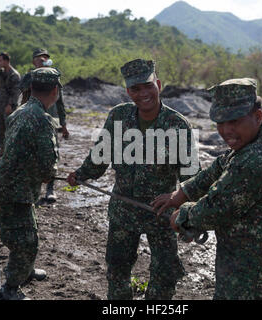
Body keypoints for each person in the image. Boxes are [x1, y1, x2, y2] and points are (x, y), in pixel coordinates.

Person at [152, 78, 262, 300]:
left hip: (258, 278)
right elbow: (220, 166)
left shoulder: (258, 158)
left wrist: (183, 216)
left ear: (258, 116)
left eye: (234, 121)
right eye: (220, 123)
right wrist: (182, 193)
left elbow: (217, 208)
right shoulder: (261, 138)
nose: (226, 131)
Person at [67, 58, 200, 300]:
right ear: (128, 91)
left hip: (160, 213)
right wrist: (80, 175)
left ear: (158, 84)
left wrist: (184, 206)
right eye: (135, 89)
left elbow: (192, 177)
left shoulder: (178, 125)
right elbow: (100, 156)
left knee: (164, 274)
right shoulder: (118, 117)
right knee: (117, 271)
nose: (143, 94)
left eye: (148, 86)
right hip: (123, 210)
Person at [0, 68, 61, 300]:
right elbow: (47, 165)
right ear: (55, 90)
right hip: (15, 191)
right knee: (25, 242)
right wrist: (51, 174)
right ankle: (10, 288)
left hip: (12, 186)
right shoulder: (42, 119)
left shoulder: (21, 111)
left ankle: (27, 271)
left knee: (29, 231)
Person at [19, 48, 69, 202]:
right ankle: (30, 189)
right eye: (40, 59)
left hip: (50, 121)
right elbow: (22, 92)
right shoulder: (29, 77)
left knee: (50, 154)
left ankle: (50, 189)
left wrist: (64, 124)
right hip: (30, 120)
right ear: (34, 61)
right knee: (29, 154)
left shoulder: (54, 78)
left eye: (46, 59)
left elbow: (60, 103)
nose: (43, 61)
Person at [0, 52, 21, 157]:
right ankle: (3, 148)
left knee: (9, 128)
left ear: (6, 61)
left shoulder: (14, 75)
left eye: (0, 60)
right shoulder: (2, 72)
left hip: (8, 105)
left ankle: (10, 150)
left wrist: (11, 105)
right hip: (0, 104)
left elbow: (16, 92)